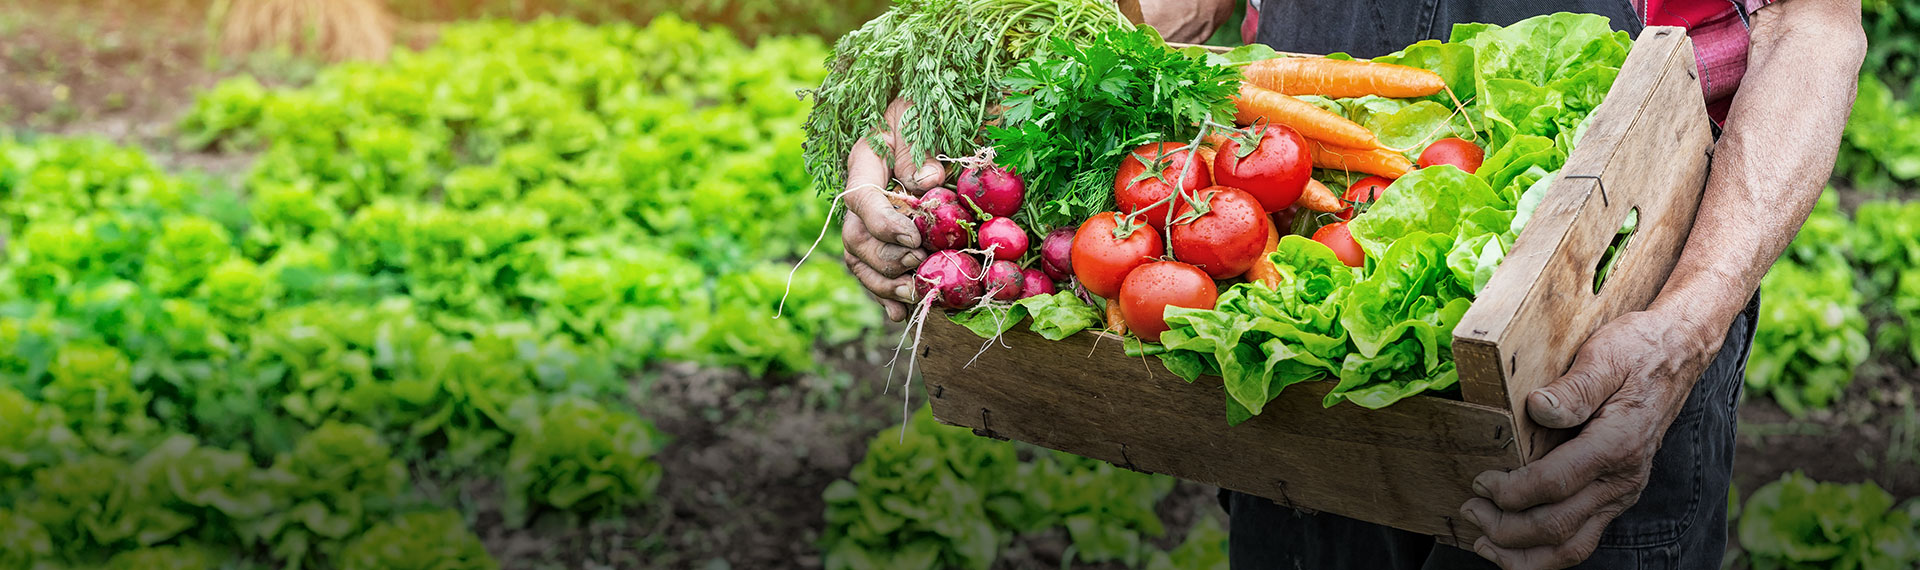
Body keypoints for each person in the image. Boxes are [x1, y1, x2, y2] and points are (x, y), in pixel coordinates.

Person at [836, 0, 1865, 568]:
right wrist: (972, 92)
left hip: (1610, 314)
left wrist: (1684, 327)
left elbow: (1809, 23)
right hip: (1292, 275)